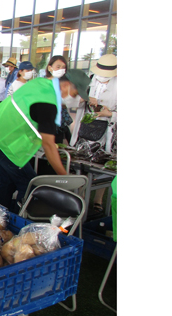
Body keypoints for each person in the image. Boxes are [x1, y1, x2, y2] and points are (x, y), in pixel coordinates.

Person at [0, 69, 91, 211]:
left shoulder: (41, 83)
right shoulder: (48, 101)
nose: (75, 99)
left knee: (8, 181)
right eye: (75, 94)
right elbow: (48, 144)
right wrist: (66, 178)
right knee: (30, 185)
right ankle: (21, 224)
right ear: (66, 86)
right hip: (5, 143)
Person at [73, 54, 117, 215]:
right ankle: (81, 197)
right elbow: (72, 100)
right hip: (86, 129)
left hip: (106, 131)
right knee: (81, 165)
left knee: (104, 167)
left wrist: (110, 113)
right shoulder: (89, 81)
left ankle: (98, 200)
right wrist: (84, 98)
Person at [44, 55, 74, 144]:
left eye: (63, 67)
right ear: (50, 67)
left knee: (58, 147)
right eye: (58, 67)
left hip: (59, 124)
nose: (61, 69)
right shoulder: (44, 83)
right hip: (46, 123)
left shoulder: (65, 84)